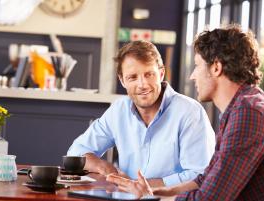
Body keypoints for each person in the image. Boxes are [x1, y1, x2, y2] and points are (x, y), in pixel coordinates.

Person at [107, 25, 264, 201]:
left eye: (198, 66)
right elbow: (205, 179)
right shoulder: (243, 107)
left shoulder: (249, 114)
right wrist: (152, 193)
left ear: (216, 67)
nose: (192, 76)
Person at [68, 40, 216, 187]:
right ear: (122, 80)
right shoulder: (119, 109)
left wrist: (143, 186)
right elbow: (76, 152)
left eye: (149, 74)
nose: (142, 85)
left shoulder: (190, 112)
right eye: (132, 77)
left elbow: (201, 175)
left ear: (161, 73)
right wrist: (106, 169)